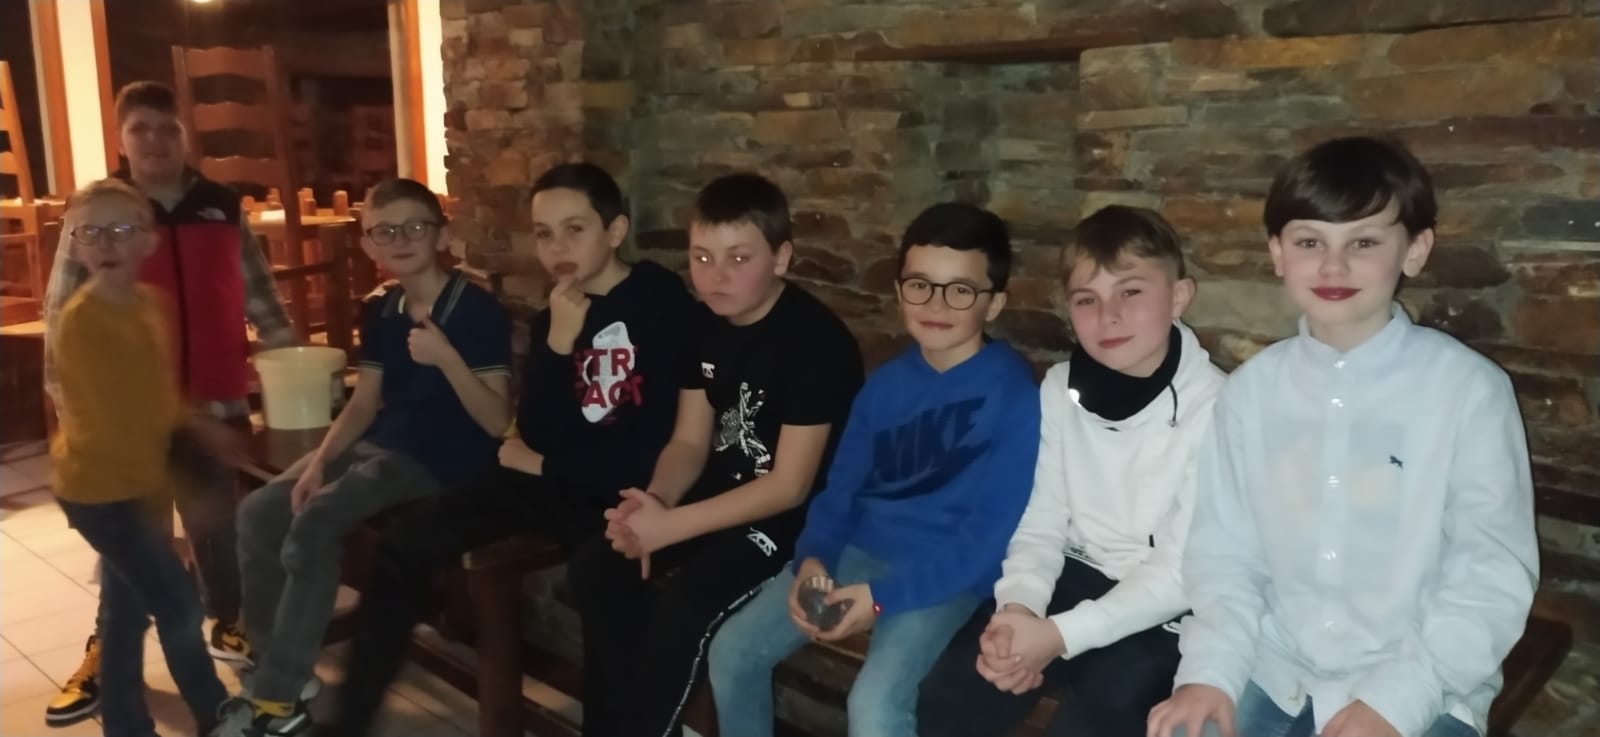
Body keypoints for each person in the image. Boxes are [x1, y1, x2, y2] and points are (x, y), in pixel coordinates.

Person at [1146, 137, 1538, 737]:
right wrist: (1209, 672)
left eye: (1364, 242)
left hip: (1423, 678)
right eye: (1310, 242)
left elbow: (1490, 574)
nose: (1334, 267)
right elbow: (1225, 555)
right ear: (1277, 252)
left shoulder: (1467, 391)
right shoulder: (1251, 393)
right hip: (1272, 665)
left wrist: (1397, 700)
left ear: (1414, 250)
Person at [319, 162, 701, 736]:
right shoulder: (557, 313)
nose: (557, 248)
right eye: (544, 234)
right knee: (404, 543)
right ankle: (350, 721)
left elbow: (649, 446)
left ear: (615, 231)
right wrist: (559, 343)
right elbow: (534, 427)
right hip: (551, 479)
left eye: (575, 230)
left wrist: (544, 462)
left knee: (602, 579)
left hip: (618, 488)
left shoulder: (662, 307)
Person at [707, 202, 1040, 737]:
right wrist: (812, 560)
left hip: (946, 575)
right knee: (732, 650)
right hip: (858, 553)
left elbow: (985, 544)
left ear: (994, 302)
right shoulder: (885, 385)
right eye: (920, 285)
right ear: (900, 290)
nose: (936, 304)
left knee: (875, 705)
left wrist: (881, 599)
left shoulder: (1018, 398)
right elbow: (838, 495)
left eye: (960, 290)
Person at [215, 178, 513, 737]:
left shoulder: (474, 311)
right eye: (384, 231)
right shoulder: (384, 310)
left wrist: (447, 359)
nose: (401, 240)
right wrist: (319, 461)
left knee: (316, 523)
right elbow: (363, 403)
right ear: (368, 244)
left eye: (415, 227)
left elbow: (498, 422)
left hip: (442, 459)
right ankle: (273, 668)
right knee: (259, 512)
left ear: (441, 235)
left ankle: (277, 700)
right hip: (382, 442)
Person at [573, 173, 864, 737]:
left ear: (781, 258)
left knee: (685, 606)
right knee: (598, 568)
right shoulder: (701, 323)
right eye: (702, 257)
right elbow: (688, 442)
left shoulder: (815, 343)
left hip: (794, 521)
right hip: (723, 492)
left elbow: (789, 486)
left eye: (739, 258)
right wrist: (653, 506)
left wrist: (671, 528)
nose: (717, 275)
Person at [918, 205, 1226, 737]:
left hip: (1166, 603)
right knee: (956, 690)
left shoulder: (1220, 407)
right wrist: (1019, 609)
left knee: (1098, 716)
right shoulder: (1060, 388)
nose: (1108, 316)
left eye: (1131, 292)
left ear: (1178, 297)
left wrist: (1057, 637)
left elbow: (1183, 571)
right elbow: (1041, 517)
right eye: (1087, 299)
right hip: (1075, 571)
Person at [41, 80, 294, 726]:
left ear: (186, 136)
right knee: (145, 568)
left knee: (215, 530)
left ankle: (229, 624)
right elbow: (60, 321)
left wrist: (289, 356)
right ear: (122, 140)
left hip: (211, 399)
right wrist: (69, 412)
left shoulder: (219, 206)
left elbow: (257, 288)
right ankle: (123, 667)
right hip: (125, 449)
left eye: (167, 128)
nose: (155, 139)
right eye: (140, 129)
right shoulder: (104, 217)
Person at [48, 177, 236, 737]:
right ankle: (217, 715)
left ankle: (125, 725)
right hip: (100, 493)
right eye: (91, 232)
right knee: (181, 607)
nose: (106, 242)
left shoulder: (152, 306)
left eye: (121, 229)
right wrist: (174, 513)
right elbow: (120, 426)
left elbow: (157, 398)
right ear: (76, 244)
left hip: (136, 488)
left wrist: (198, 423)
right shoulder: (81, 322)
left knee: (125, 615)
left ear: (148, 241)